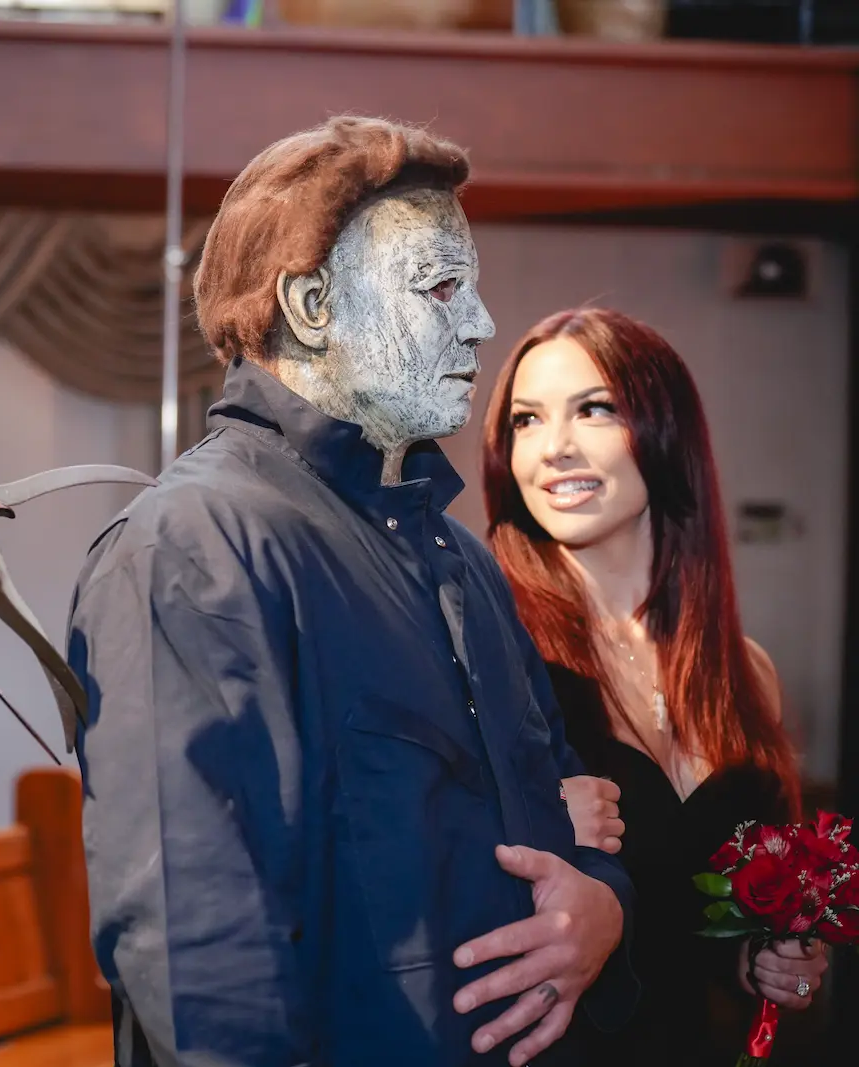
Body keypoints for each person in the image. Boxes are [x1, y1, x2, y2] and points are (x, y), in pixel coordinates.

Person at [64, 116, 638, 1067]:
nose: (484, 323)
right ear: (313, 305)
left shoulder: (459, 554)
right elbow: (202, 951)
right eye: (443, 287)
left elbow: (569, 797)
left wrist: (605, 902)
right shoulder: (194, 546)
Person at [480, 306, 827, 1066]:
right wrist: (523, 818)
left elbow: (706, 912)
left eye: (594, 409)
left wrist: (759, 961)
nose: (554, 448)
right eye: (527, 420)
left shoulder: (745, 671)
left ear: (667, 431)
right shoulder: (487, 652)